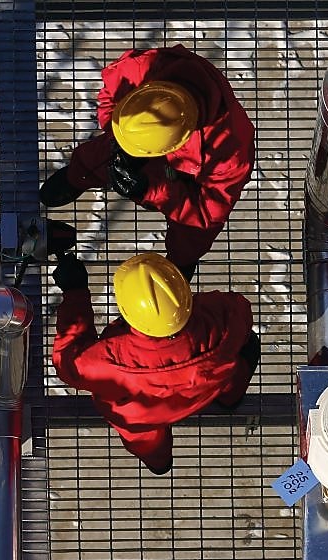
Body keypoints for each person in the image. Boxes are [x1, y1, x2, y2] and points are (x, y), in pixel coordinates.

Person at [39, 45, 256, 280]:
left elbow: (207, 211)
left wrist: (151, 189)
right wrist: (115, 129)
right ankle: (78, 176)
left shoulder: (229, 151)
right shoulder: (140, 68)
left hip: (184, 174)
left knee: (194, 230)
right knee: (104, 155)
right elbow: (109, 95)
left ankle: (181, 260)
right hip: (131, 135)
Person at [51, 251, 260, 475]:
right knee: (244, 354)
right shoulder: (220, 318)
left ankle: (159, 462)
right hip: (207, 386)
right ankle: (230, 398)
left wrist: (75, 291)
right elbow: (240, 308)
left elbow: (67, 361)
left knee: (146, 441)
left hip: (142, 416)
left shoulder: (106, 360)